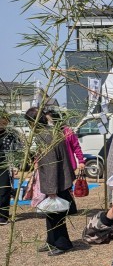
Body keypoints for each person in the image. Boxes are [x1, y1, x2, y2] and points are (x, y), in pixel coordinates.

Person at [25, 107, 76, 256]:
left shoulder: (45, 136)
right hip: (59, 178)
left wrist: (52, 189)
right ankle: (52, 241)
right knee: (51, 213)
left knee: (56, 214)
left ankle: (62, 244)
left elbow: (51, 164)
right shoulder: (50, 132)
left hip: (56, 181)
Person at [0, 111, 19, 225]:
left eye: (4, 122)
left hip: (6, 164)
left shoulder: (11, 134)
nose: (2, 124)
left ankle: (3, 215)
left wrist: (15, 165)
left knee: (4, 190)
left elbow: (17, 149)